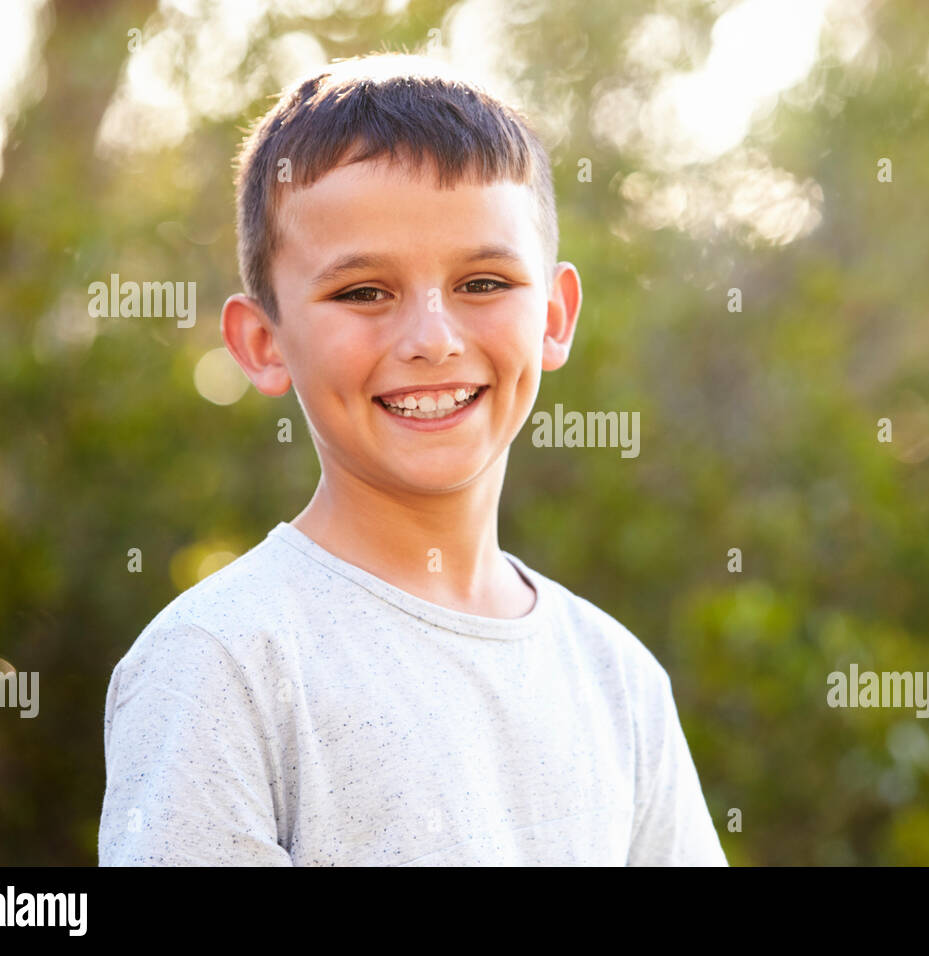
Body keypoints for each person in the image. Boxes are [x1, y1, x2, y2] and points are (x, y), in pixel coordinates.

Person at [98, 52, 727, 866]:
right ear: (263, 342)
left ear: (555, 315)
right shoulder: (220, 663)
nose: (431, 338)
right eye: (364, 292)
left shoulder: (618, 680)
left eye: (484, 282)